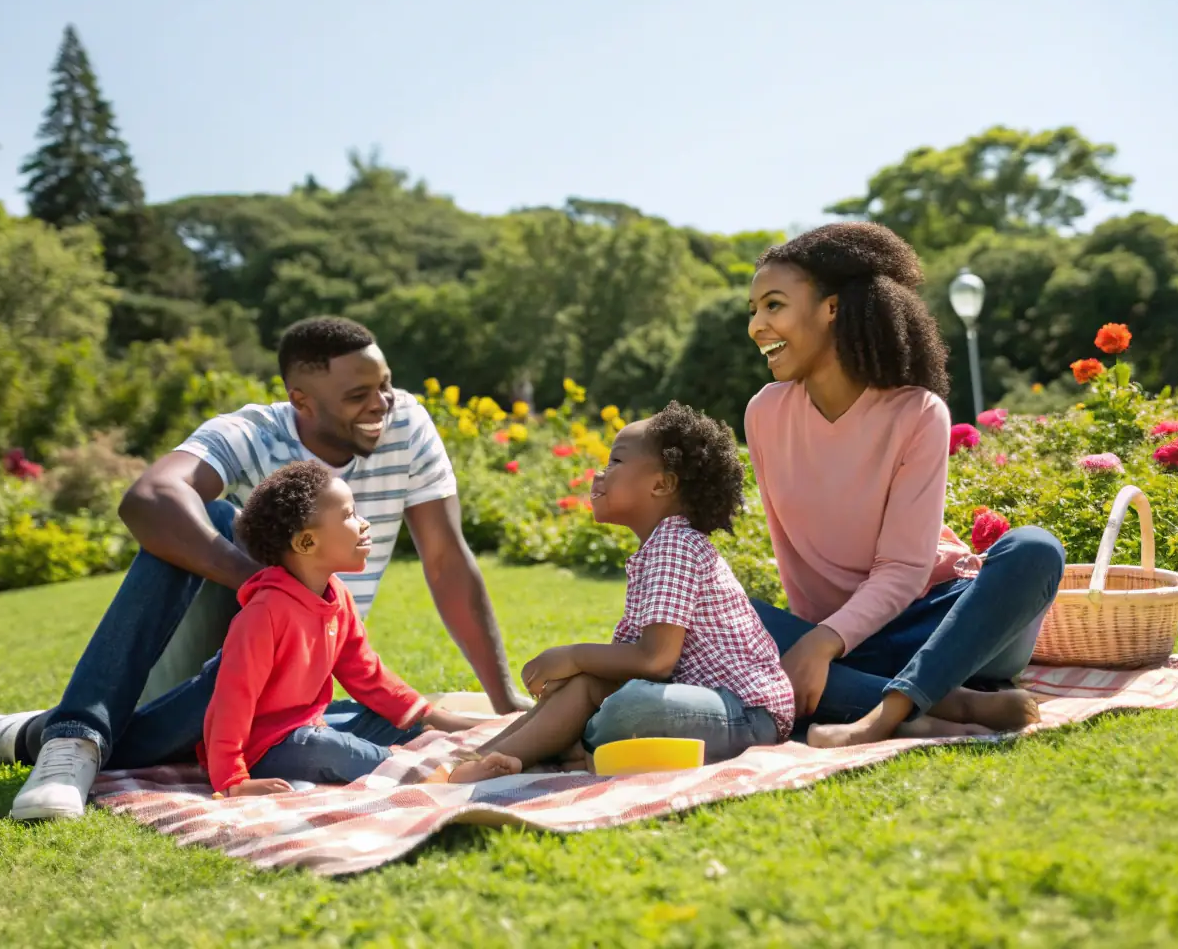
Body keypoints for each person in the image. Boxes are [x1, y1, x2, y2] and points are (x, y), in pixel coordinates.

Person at [0, 317, 530, 819]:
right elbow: (146, 498)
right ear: (300, 399)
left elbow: (445, 561)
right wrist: (263, 584)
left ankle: (24, 735)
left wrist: (506, 704)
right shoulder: (251, 433)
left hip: (303, 673)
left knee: (379, 725)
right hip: (232, 649)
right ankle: (76, 737)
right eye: (358, 394)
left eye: (384, 385)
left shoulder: (406, 426)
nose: (381, 404)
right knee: (208, 513)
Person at [742, 222, 1065, 748]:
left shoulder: (917, 412)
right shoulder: (765, 413)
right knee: (718, 613)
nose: (757, 326)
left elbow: (905, 570)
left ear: (832, 308)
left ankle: (883, 712)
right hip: (849, 643)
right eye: (753, 310)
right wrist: (818, 637)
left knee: (1035, 548)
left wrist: (822, 643)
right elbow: (788, 552)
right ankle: (950, 702)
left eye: (773, 305)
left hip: (948, 626)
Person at [447, 402, 795, 783]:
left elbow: (655, 659)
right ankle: (490, 756)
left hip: (746, 715)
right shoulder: (657, 548)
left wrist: (574, 655)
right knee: (585, 690)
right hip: (703, 707)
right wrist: (574, 676)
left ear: (661, 484)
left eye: (615, 462)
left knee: (626, 709)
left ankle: (567, 749)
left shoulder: (675, 545)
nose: (600, 473)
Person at [202, 461, 480, 796]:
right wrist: (233, 780)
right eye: (349, 516)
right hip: (265, 749)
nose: (363, 525)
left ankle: (431, 740)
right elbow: (231, 704)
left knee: (386, 718)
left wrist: (427, 713)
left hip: (311, 725)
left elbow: (365, 672)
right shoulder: (263, 615)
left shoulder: (337, 597)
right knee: (330, 748)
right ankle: (427, 774)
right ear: (306, 543)